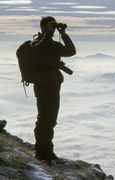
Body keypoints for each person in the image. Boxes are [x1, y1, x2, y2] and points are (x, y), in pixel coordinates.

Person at [31, 16, 76, 163]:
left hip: (54, 85)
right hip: (42, 86)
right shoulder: (36, 42)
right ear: (43, 27)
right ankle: (40, 152)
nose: (52, 28)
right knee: (43, 119)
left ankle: (48, 151)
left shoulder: (54, 45)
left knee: (51, 120)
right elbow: (40, 49)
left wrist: (63, 33)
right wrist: (48, 34)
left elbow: (71, 51)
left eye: (53, 26)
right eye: (50, 25)